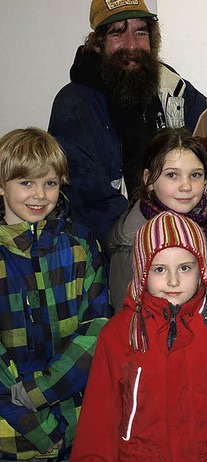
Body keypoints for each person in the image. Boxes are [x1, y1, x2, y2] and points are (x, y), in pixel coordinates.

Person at [71, 211, 207, 461]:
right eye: (159, 269)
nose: (173, 280)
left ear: (202, 268)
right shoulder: (118, 332)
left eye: (185, 268)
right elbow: (99, 417)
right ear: (143, 272)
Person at [48, 0, 207, 242]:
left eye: (140, 32)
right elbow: (90, 202)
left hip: (177, 237)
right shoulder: (74, 105)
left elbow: (200, 129)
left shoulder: (165, 80)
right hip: (115, 250)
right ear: (97, 43)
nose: (132, 45)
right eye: (117, 33)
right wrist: (155, 238)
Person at [106, 127, 207, 378]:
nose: (186, 186)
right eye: (172, 175)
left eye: (195, 175)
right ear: (149, 180)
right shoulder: (133, 240)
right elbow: (128, 324)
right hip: (163, 371)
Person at [0, 128, 111, 461]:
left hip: (76, 422)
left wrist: (41, 393)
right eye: (25, 183)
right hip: (10, 434)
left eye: (49, 183)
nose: (39, 195)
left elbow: (97, 328)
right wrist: (33, 422)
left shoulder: (82, 247)